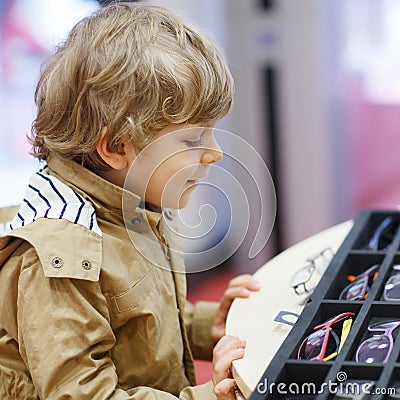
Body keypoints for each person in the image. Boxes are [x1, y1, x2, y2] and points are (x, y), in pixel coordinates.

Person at [0, 2, 261, 400]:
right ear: (118, 147)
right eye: (192, 140)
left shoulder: (134, 204)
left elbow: (135, 324)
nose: (214, 154)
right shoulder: (59, 262)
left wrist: (203, 326)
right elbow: (85, 395)